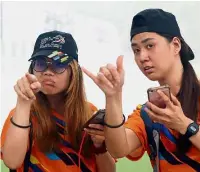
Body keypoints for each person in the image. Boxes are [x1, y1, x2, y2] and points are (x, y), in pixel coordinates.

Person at [83, 9, 200, 172]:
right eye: (136, 50)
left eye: (150, 45)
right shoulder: (148, 113)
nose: (142, 57)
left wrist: (185, 126)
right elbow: (119, 149)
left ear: (176, 45)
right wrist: (113, 96)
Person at [0, 30, 116, 172]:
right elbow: (12, 162)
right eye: (41, 64)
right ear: (32, 70)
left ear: (73, 72)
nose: (48, 72)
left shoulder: (90, 112)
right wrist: (23, 103)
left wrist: (99, 146)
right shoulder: (21, 113)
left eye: (58, 64)